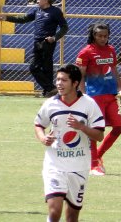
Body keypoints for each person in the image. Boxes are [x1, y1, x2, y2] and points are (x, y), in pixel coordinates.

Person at [34, 64, 105, 222]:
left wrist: (81, 127)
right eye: (58, 79)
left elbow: (99, 135)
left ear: (75, 83)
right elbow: (39, 124)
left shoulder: (89, 104)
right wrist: (43, 138)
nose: (59, 83)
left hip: (79, 167)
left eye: (64, 80)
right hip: (55, 165)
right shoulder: (51, 103)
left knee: (72, 216)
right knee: (54, 210)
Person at [75, 23, 121, 176]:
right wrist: (83, 96)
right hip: (94, 97)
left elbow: (114, 70)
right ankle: (93, 166)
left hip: (110, 96)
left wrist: (120, 89)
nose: (103, 38)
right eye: (99, 36)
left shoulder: (111, 50)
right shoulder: (86, 52)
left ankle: (97, 156)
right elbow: (80, 76)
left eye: (105, 36)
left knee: (118, 127)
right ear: (93, 35)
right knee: (96, 130)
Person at [0, 0, 68, 96]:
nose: (37, 1)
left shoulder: (55, 11)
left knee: (47, 67)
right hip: (37, 42)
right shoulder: (37, 11)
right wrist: (7, 18)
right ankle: (50, 89)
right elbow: (23, 19)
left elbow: (64, 27)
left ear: (46, 0)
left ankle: (48, 91)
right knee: (33, 67)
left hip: (47, 43)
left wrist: (54, 38)